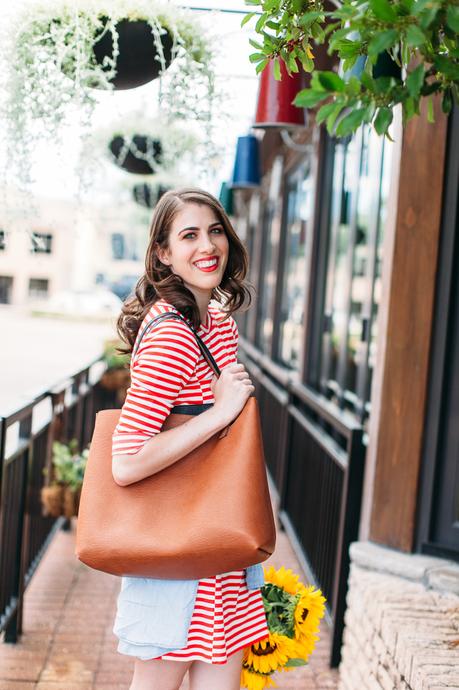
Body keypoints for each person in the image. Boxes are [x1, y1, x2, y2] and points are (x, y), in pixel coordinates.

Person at [111, 188, 270, 690]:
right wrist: (221, 410)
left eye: (216, 230)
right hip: (177, 558)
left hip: (219, 553)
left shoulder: (216, 324)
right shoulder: (171, 335)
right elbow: (127, 460)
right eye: (189, 235)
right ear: (163, 252)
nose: (208, 245)